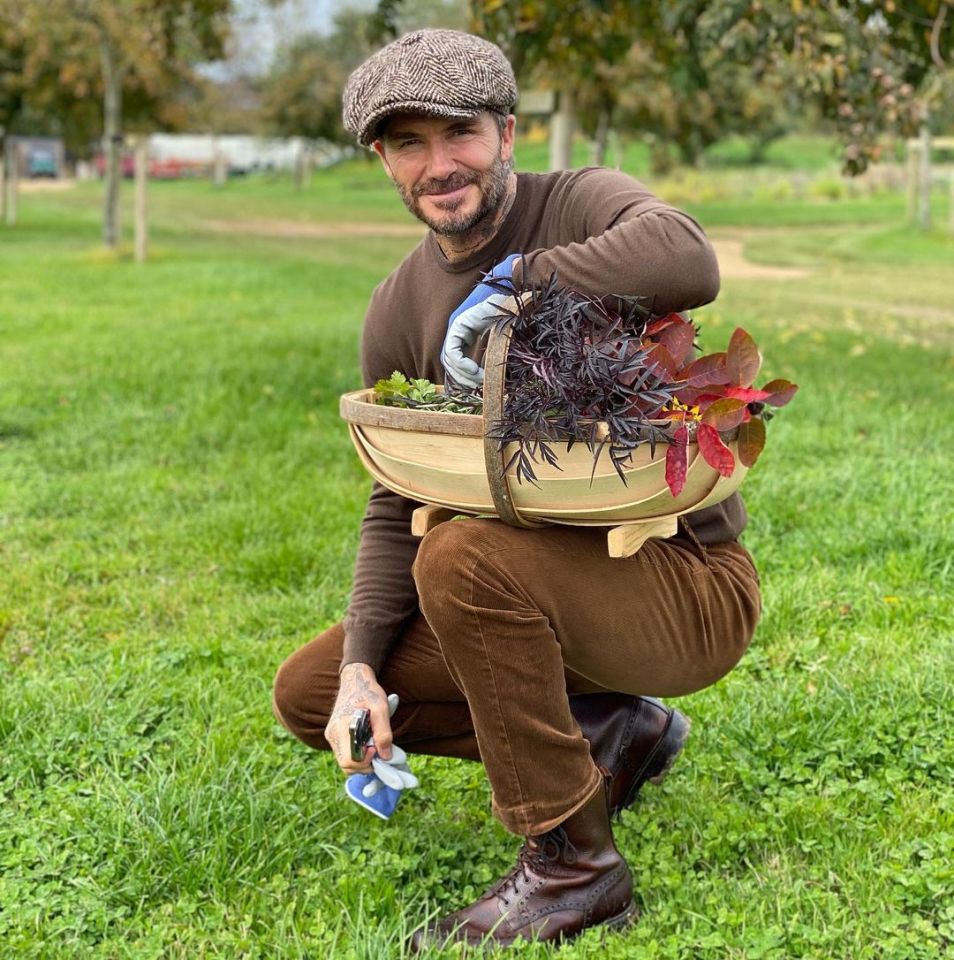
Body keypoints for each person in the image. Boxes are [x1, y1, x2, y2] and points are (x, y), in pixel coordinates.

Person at [272, 28, 761, 951]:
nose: (439, 164)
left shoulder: (579, 202)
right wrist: (361, 672)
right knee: (309, 692)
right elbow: (393, 496)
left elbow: (688, 259)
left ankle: (576, 867)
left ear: (504, 131)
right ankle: (612, 736)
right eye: (407, 143)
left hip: (681, 587)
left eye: (459, 132)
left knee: (462, 556)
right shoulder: (397, 305)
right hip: (527, 598)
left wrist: (519, 283)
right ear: (382, 160)